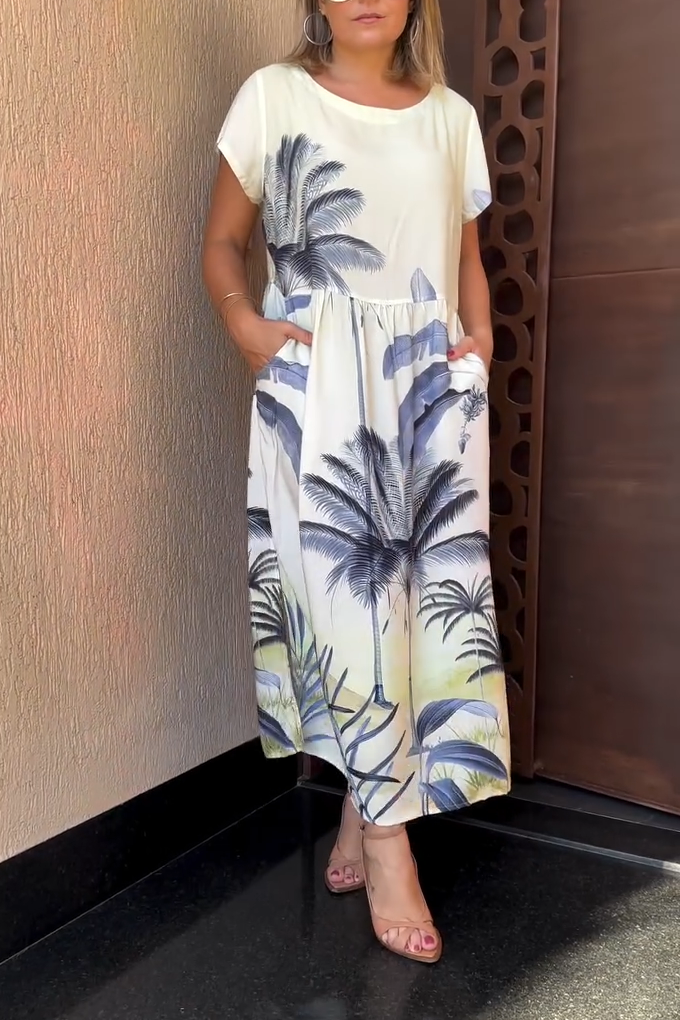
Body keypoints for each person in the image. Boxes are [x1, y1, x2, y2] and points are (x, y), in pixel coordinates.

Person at [203, 0, 511, 964]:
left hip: (428, 390)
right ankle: (388, 843)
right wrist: (246, 326)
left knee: (417, 612)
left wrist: (480, 341)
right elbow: (222, 242)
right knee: (345, 608)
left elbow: (465, 258)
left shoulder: (451, 117)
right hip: (320, 385)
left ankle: (361, 806)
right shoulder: (273, 96)